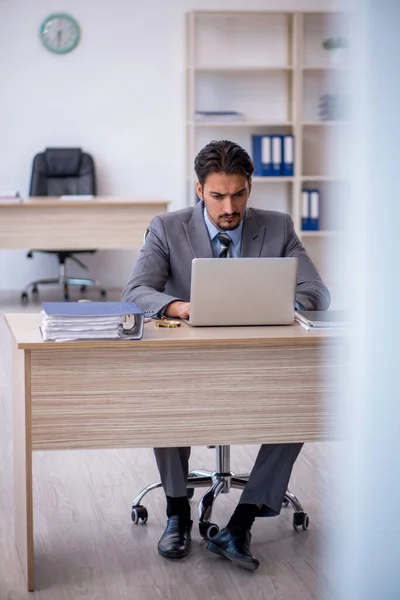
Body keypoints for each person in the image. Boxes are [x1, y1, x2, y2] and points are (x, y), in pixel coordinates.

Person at [122, 140, 330, 571]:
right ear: (199, 190)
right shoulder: (167, 227)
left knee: (298, 409)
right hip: (190, 362)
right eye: (217, 195)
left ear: (250, 187)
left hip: (260, 362)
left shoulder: (277, 227)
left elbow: (316, 292)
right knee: (165, 397)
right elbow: (136, 291)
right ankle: (177, 512)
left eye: (238, 194)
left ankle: (240, 523)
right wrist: (180, 306)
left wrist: (277, 304)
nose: (229, 206)